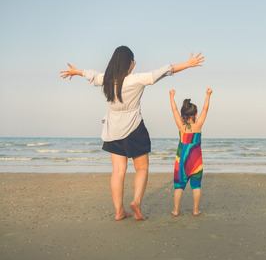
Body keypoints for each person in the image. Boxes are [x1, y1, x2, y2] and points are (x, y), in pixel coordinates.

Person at [60, 46, 205, 221]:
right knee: (142, 168)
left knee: (118, 171)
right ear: (129, 62)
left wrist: (76, 72)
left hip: (112, 130)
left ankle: (119, 211)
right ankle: (136, 201)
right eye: (133, 61)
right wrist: (188, 64)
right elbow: (166, 70)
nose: (134, 64)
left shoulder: (106, 80)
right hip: (135, 129)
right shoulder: (136, 79)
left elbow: (92, 74)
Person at [169, 88, 212, 216]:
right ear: (195, 115)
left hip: (181, 161)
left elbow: (174, 110)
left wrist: (171, 96)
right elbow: (206, 110)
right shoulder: (198, 125)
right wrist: (208, 95)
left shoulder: (181, 126)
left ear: (183, 115)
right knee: (196, 186)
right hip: (196, 161)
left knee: (179, 187)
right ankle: (195, 210)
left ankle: (176, 210)